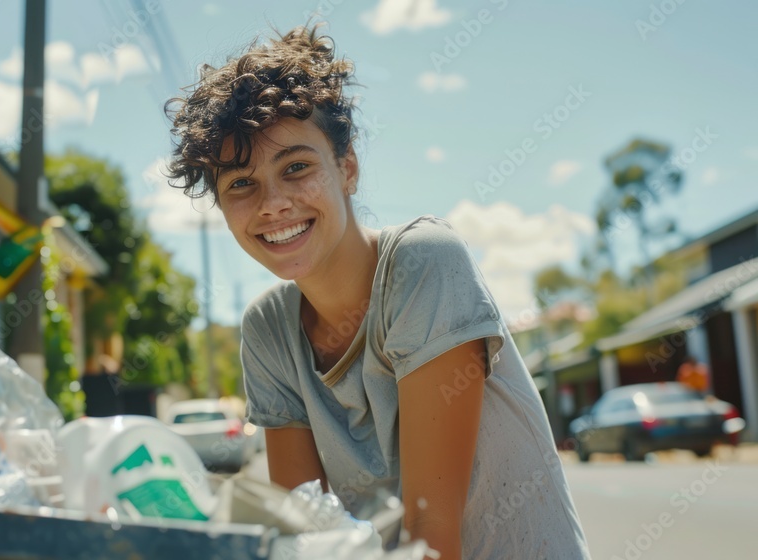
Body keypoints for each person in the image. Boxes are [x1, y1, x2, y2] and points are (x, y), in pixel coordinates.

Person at [165, 24, 590, 559]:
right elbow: (306, 536)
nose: (272, 204)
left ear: (347, 168)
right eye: (241, 184)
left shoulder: (422, 263)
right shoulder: (268, 331)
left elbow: (430, 544)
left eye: (296, 167)